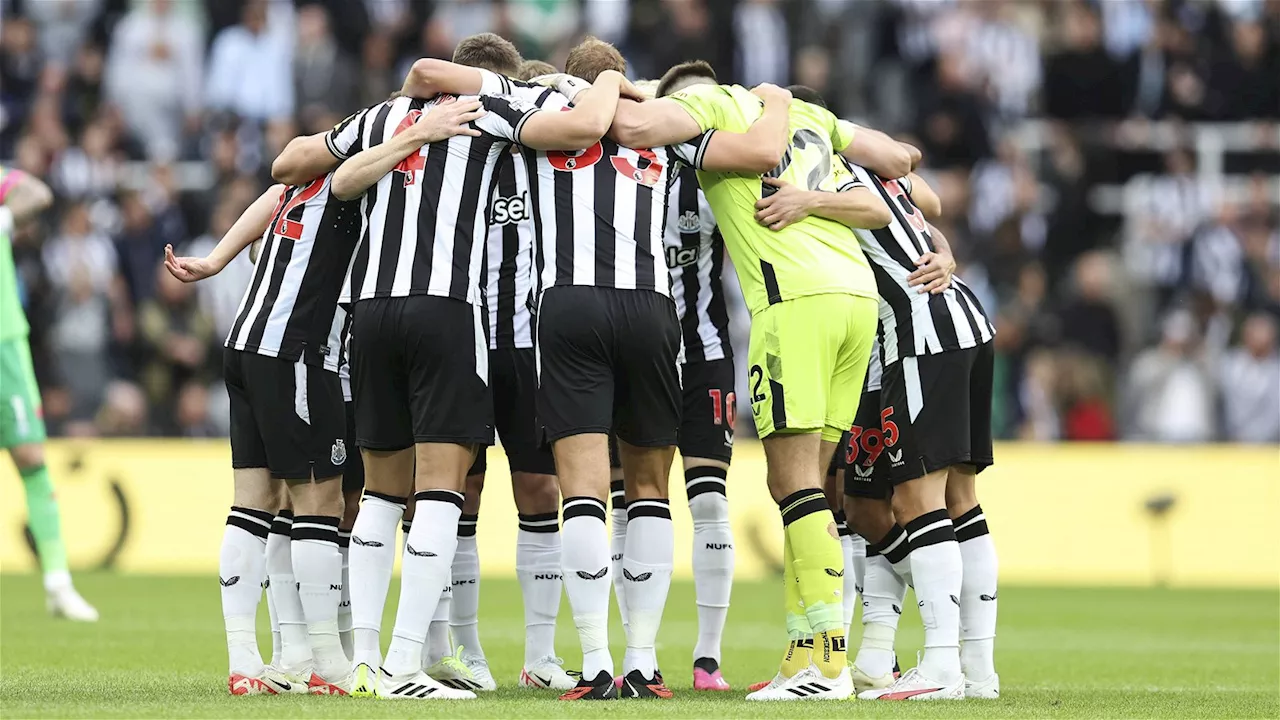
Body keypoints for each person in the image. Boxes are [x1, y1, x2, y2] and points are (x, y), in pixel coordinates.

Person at [400, 42, 792, 701]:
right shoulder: (664, 119)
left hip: (568, 307)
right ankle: (643, 661)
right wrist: (775, 99)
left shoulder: (540, 104)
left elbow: (431, 76)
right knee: (647, 489)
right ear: (618, 76)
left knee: (582, 490)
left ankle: (596, 663)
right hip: (652, 307)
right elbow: (761, 155)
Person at [315, 41, 639, 701]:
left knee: (390, 493)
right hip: (450, 316)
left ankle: (374, 661)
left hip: (389, 315)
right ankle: (418, 660)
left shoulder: (384, 117)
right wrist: (609, 83)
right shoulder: (493, 112)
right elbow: (581, 122)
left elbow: (329, 175)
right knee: (443, 493)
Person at [606, 62, 910, 701]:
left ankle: (826, 661)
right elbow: (897, 158)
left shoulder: (718, 113)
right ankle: (806, 653)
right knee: (810, 487)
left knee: (791, 484)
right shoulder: (809, 115)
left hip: (794, 304)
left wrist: (613, 94)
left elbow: (637, 127)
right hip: (855, 301)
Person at [165, 100, 480, 697]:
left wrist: (216, 259)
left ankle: (248, 663)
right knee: (320, 502)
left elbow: (270, 195)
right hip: (296, 353)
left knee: (254, 504)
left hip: (245, 345)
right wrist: (418, 134)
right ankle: (322, 661)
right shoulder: (347, 183)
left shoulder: (293, 188)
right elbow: (348, 176)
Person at [751, 123, 1000, 699]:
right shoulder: (868, 169)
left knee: (916, 498)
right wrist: (940, 244)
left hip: (918, 331)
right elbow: (922, 196)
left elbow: (881, 206)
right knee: (944, 500)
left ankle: (941, 667)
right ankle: (974, 671)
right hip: (955, 322)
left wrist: (808, 199)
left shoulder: (831, 174)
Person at [0, 166, 98, 622]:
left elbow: (36, 194)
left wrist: (4, 217)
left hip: (6, 345)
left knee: (32, 460)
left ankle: (58, 583)